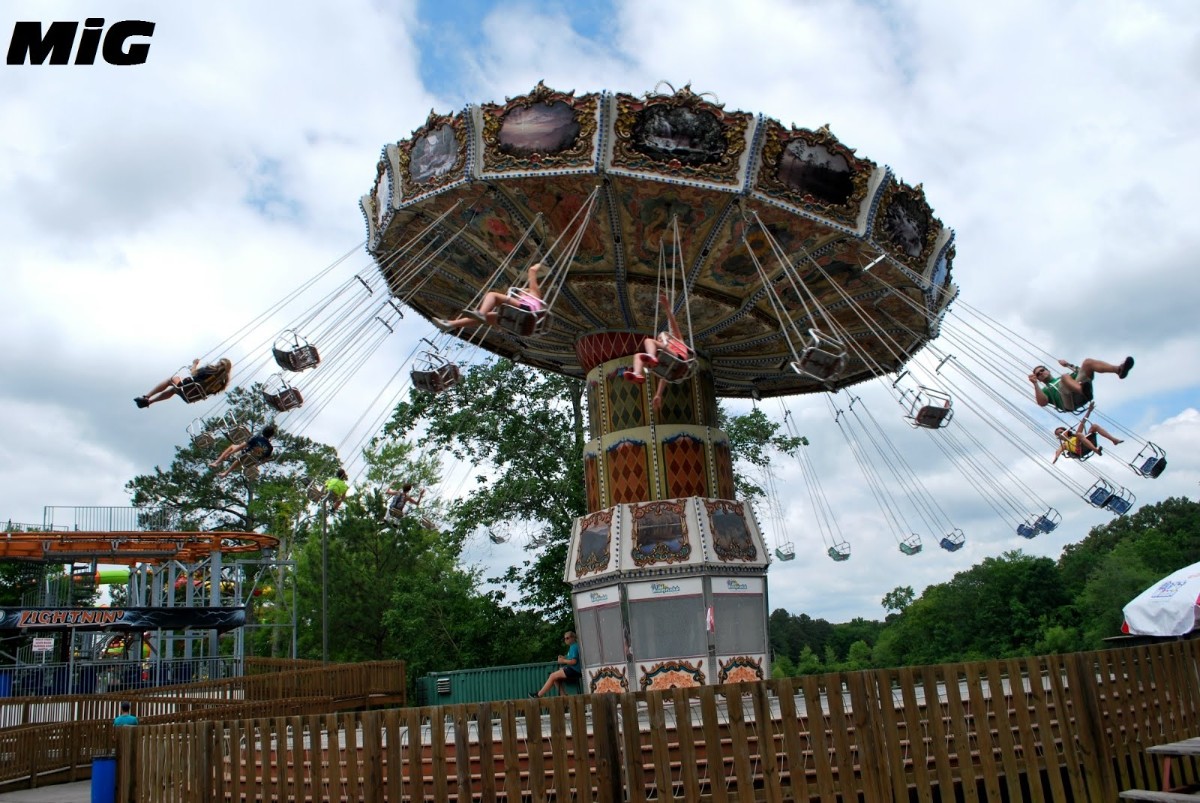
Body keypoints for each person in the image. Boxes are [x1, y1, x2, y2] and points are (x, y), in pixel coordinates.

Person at [434, 262, 544, 331]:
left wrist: (540, 264)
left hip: (528, 312)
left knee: (493, 295)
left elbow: (532, 270)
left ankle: (480, 313)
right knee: (488, 317)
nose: (520, 294)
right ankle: (450, 324)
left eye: (522, 293)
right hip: (524, 324)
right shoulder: (519, 305)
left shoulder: (534, 293)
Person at [1029, 355, 1133, 412]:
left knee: (1088, 362)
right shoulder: (1045, 390)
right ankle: (1082, 390)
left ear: (1048, 370)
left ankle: (1119, 370)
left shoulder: (1065, 378)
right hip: (1069, 402)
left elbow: (1081, 372)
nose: (1041, 373)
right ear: (1038, 379)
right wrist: (1035, 384)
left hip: (1078, 390)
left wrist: (1068, 365)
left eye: (1042, 370)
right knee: (1065, 378)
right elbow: (1042, 403)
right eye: (1038, 374)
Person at [135, 358, 233, 408]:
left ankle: (147, 397)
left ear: (220, 364)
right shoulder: (222, 384)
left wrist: (195, 364)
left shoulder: (211, 370)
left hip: (188, 388)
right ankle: (150, 402)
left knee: (172, 379)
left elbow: (193, 373)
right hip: (192, 397)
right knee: (174, 390)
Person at [1052, 403, 1122, 463]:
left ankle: (1114, 440)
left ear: (1066, 431)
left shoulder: (1075, 435)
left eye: (1061, 432)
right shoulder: (1065, 444)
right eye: (1058, 434)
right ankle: (1096, 450)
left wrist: (1089, 410)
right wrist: (1056, 457)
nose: (1061, 434)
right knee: (1079, 434)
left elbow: (1083, 422)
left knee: (1094, 426)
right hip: (1080, 449)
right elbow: (1058, 451)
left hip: (1085, 442)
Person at [209, 425, 276, 478]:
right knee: (243, 459)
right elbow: (265, 459)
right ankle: (226, 473)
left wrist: (230, 453)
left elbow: (242, 445)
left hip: (245, 455)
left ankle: (217, 462)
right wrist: (256, 465)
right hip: (251, 462)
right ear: (271, 436)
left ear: (263, 432)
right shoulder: (270, 448)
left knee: (233, 447)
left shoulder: (257, 438)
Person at [531, 630, 581, 699]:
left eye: (567, 638)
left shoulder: (574, 647)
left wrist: (563, 660)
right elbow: (570, 658)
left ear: (573, 638)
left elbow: (574, 661)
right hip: (572, 669)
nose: (565, 640)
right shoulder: (572, 647)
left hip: (575, 670)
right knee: (555, 679)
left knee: (552, 676)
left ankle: (538, 695)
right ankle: (564, 697)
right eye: (564, 639)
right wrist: (564, 657)